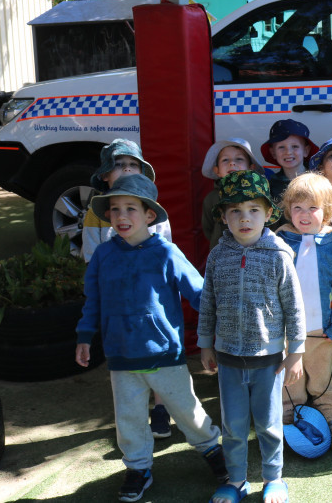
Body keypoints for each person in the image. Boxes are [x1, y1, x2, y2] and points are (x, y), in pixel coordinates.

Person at [75, 174, 225, 503]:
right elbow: (93, 300)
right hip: (120, 355)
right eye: (115, 209)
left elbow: (199, 292)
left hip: (164, 354)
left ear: (149, 216)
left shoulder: (165, 252)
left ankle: (213, 450)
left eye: (131, 208)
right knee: (128, 417)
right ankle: (138, 467)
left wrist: (219, 326)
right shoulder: (103, 255)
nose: (122, 216)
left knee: (188, 411)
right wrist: (84, 336)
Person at [198, 170, 305, 503]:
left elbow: (294, 305)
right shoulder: (218, 255)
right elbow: (207, 301)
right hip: (229, 357)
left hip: (268, 359)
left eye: (253, 210)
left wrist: (296, 351)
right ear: (224, 217)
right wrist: (205, 343)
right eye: (235, 211)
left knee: (269, 424)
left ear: (269, 214)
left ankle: (274, 479)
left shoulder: (279, 255)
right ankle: (236, 480)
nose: (245, 218)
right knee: (233, 426)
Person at [80, 138, 174, 441]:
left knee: (157, 354)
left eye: (133, 165)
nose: (127, 170)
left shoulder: (154, 212)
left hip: (151, 298)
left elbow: (167, 251)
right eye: (119, 165)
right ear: (106, 175)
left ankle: (161, 408)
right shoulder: (96, 214)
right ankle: (131, 416)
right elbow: (91, 256)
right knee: (123, 359)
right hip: (116, 302)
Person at [274, 172, 332, 451]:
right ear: (288, 210)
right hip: (286, 333)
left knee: (327, 378)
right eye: (298, 208)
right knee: (288, 380)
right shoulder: (278, 242)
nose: (304, 215)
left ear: (328, 211)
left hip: (325, 331)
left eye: (313, 208)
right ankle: (289, 417)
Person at [201, 138, 262, 249]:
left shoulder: (260, 195)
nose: (232, 163)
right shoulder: (212, 198)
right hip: (222, 255)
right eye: (225, 160)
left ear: (251, 168)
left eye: (239, 159)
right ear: (216, 170)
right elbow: (208, 228)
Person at [260, 119, 320, 209]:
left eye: (295, 146)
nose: (288, 152)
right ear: (273, 153)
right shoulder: (270, 186)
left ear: (306, 150)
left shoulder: (319, 181)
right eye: (281, 147)